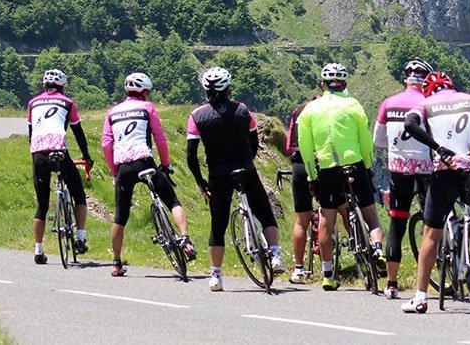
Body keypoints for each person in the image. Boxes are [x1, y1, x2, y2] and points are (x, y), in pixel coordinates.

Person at [400, 71, 470, 314]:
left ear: (429, 90)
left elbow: (409, 124)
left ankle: (420, 297)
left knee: (431, 233)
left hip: (445, 171)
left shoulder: (424, 103)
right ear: (452, 86)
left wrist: (438, 147)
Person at [186, 66, 285, 292]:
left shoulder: (197, 116)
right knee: (264, 212)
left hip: (218, 174)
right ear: (228, 88)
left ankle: (216, 276)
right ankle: (276, 255)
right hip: (245, 168)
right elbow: (253, 141)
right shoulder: (242, 110)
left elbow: (191, 154)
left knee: (218, 225)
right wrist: (248, 160)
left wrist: (201, 182)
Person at [297, 62, 384, 290]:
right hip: (354, 163)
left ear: (323, 84)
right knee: (371, 215)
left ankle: (327, 274)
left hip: (327, 169)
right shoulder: (353, 105)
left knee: (327, 219)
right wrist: (367, 165)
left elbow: (305, 148)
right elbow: (364, 139)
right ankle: (377, 249)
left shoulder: (310, 110)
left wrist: (311, 176)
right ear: (344, 84)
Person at [101, 72, 196, 277]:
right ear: (144, 92)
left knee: (120, 216)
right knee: (172, 201)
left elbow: (106, 144)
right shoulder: (147, 108)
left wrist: (114, 170)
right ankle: (185, 239)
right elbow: (160, 139)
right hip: (144, 160)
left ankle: (116, 263)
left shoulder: (112, 112)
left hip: (123, 167)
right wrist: (166, 163)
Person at [373, 57, 433, 299]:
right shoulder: (429, 103)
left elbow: (378, 140)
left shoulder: (389, 103)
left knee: (397, 224)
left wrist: (395, 147)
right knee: (433, 224)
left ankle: (392, 284)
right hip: (427, 167)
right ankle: (435, 277)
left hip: (399, 169)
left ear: (404, 79)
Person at [27, 69, 94, 264]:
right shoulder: (68, 102)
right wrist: (87, 157)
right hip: (59, 152)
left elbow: (31, 134)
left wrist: (36, 157)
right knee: (79, 195)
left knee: (42, 204)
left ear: (44, 86)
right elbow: (78, 132)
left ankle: (38, 251)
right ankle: (80, 238)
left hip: (38, 153)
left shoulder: (32, 103)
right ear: (63, 87)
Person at [283, 92, 319, 284]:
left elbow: (289, 146)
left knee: (300, 220)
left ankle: (298, 268)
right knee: (341, 209)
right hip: (322, 162)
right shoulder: (327, 110)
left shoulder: (297, 111)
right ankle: (360, 256)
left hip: (299, 165)